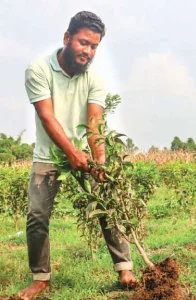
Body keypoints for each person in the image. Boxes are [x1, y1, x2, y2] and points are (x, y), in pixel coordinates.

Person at [18, 11, 137, 300]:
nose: (88, 51)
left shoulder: (95, 78)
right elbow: (47, 117)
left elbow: (95, 124)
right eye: (83, 43)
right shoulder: (39, 69)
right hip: (49, 154)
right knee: (36, 215)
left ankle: (124, 267)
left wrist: (100, 163)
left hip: (84, 153)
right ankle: (40, 278)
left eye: (94, 46)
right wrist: (70, 152)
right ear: (67, 38)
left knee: (107, 203)